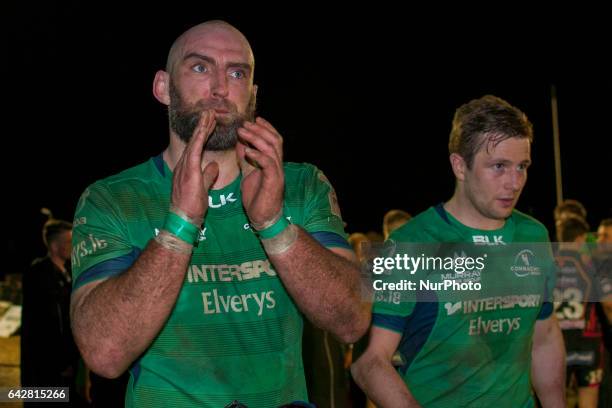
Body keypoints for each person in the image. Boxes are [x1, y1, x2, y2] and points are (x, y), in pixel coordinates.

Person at [69, 20, 370, 407]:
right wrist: (180, 224)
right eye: (199, 67)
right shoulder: (113, 198)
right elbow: (104, 354)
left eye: (236, 73)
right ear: (163, 88)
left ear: (253, 94)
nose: (220, 88)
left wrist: (274, 224)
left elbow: (352, 322)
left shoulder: (302, 184)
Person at [352, 95, 566, 407]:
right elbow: (369, 362)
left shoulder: (534, 235)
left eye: (522, 166)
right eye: (499, 167)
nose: (515, 182)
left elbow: (544, 337)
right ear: (459, 165)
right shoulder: (406, 245)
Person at [21, 210, 82, 404]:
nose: (74, 247)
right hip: (48, 365)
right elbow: (48, 323)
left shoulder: (66, 273)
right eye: (69, 242)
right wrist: (61, 360)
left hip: (64, 363)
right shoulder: (41, 274)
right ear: (55, 246)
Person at [555, 216, 606, 408]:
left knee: (553, 399)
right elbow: (607, 301)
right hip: (587, 342)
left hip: (556, 344)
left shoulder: (546, 264)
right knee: (588, 398)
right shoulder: (590, 265)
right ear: (579, 239)